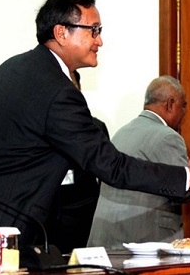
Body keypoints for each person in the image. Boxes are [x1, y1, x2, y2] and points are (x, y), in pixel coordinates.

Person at [0, 0, 190, 267]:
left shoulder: (12, 69)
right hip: (6, 231)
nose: (100, 41)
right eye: (93, 30)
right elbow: (111, 166)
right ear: (61, 33)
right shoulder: (57, 91)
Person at [87, 76, 189, 250]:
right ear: (170, 104)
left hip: (106, 240)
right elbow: (183, 190)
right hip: (143, 245)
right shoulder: (168, 137)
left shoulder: (122, 132)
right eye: (184, 105)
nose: (184, 112)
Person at [44, 70, 110, 254]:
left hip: (83, 214)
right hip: (45, 215)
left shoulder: (96, 127)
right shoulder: (40, 126)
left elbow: (105, 171)